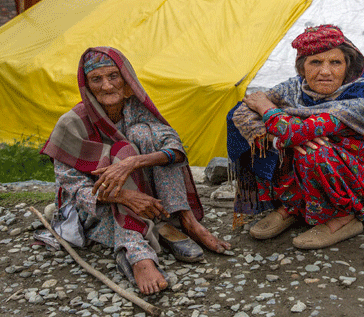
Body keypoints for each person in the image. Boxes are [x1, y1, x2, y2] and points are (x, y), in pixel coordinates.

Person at [41, 47, 230, 295]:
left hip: (146, 199)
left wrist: (131, 164)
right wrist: (125, 195)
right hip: (97, 208)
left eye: (113, 77)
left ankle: (185, 219)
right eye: (96, 79)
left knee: (142, 140)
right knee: (123, 150)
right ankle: (138, 253)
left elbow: (175, 148)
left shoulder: (135, 109)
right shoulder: (71, 124)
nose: (107, 86)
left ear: (126, 80)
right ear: (86, 86)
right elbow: (74, 189)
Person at [227, 24, 364, 250]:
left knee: (311, 150)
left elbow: (293, 131)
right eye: (315, 62)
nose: (325, 71)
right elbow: (241, 112)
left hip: (357, 180)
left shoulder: (356, 101)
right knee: (282, 143)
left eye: (335, 62)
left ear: (347, 66)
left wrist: (267, 109)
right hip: (314, 163)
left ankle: (345, 217)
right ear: (302, 68)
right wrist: (275, 141)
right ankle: (293, 205)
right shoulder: (294, 88)